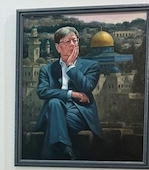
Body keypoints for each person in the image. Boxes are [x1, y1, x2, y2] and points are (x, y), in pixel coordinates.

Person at [35, 26, 102, 160]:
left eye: (75, 41)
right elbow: (42, 91)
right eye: (67, 42)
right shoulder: (47, 70)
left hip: (79, 113)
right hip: (56, 109)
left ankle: (55, 151)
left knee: (53, 116)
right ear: (58, 48)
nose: (72, 44)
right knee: (54, 103)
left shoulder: (92, 66)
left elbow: (86, 87)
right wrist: (71, 94)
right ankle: (65, 148)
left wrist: (71, 66)